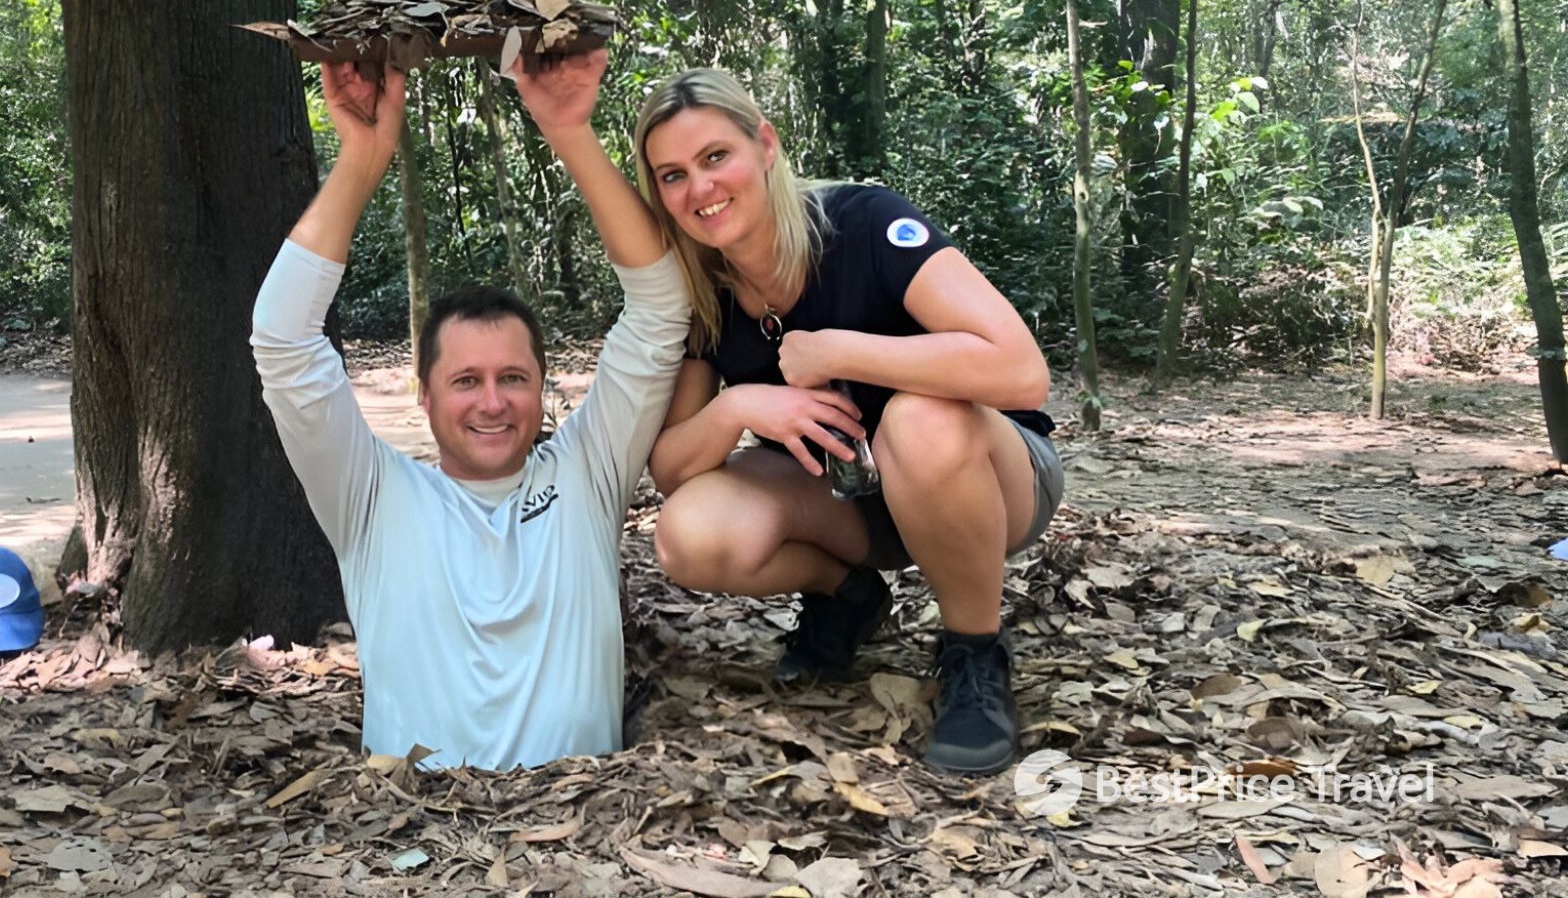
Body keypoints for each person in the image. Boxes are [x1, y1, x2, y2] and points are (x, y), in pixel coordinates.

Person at [250, 50, 687, 771]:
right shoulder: (371, 497)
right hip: (414, 826)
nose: (492, 402)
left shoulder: (587, 474)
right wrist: (362, 158)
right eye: (465, 381)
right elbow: (283, 340)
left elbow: (660, 311)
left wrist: (569, 130)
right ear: (424, 396)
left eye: (513, 378)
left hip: (585, 821)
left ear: (543, 388)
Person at [628, 68, 1062, 777]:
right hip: (858, 500)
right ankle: (848, 595)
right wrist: (738, 406)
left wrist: (838, 351)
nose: (700, 188)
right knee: (690, 531)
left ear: (765, 146)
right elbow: (673, 470)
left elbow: (1020, 370)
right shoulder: (704, 289)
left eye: (715, 157)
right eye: (673, 175)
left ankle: (974, 654)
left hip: (993, 479)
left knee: (920, 421)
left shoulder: (863, 223)